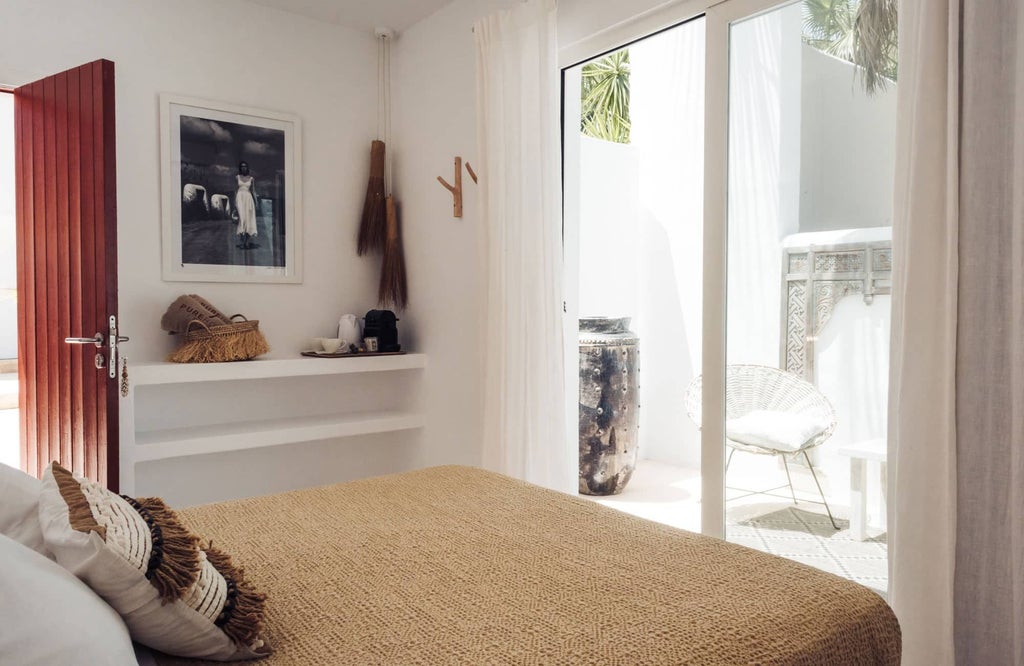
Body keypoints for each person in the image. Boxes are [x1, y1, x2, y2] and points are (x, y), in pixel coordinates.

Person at [234, 161, 259, 249]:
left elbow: (253, 191)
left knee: (249, 220)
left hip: (248, 199)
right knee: (242, 219)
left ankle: (246, 242)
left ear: (247, 168)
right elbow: (235, 190)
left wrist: (256, 202)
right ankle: (242, 241)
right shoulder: (237, 177)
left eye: (245, 166)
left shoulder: (251, 179)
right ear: (240, 168)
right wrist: (234, 203)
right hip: (240, 198)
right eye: (242, 166)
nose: (243, 168)